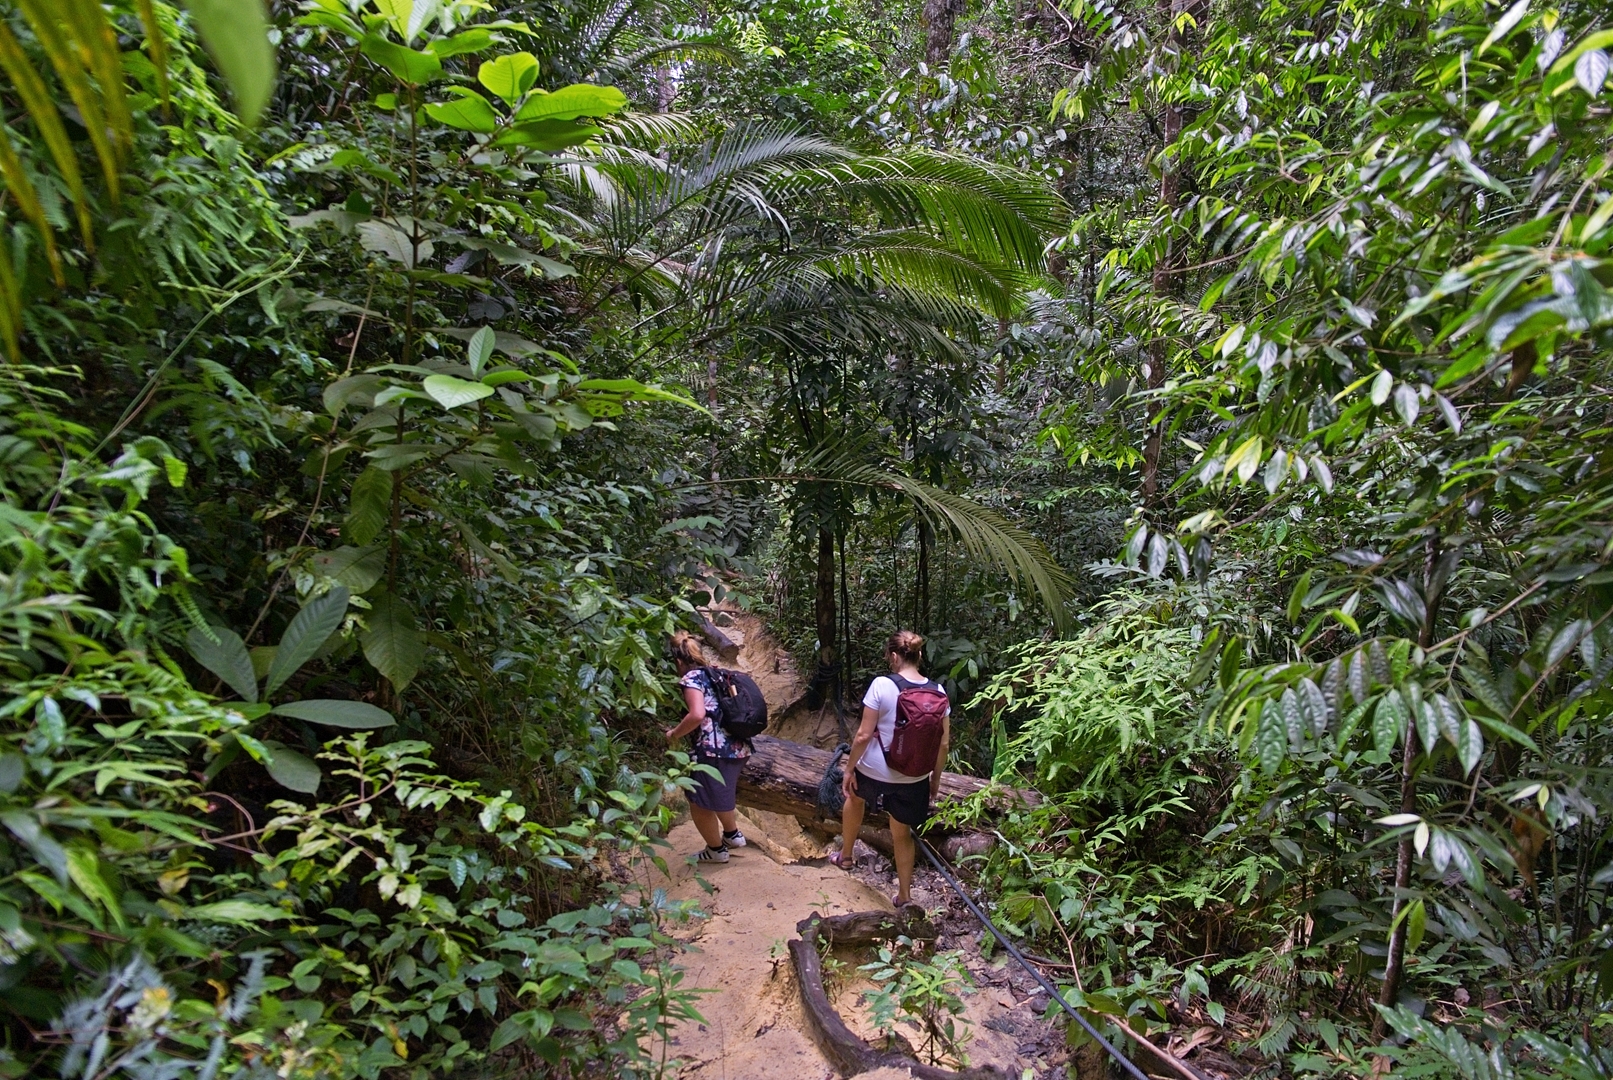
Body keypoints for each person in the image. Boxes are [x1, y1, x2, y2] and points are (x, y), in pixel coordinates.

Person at [830, 630, 949, 908]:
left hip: (874, 771)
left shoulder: (882, 685)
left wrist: (848, 770)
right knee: (902, 832)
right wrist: (934, 779)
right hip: (914, 776)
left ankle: (846, 856)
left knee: (854, 799)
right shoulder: (938, 692)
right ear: (919, 656)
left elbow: (862, 735)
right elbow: (943, 744)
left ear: (894, 656)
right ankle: (905, 896)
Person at [665, 630, 751, 863]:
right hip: (737, 745)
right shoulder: (716, 673)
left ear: (679, 661)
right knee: (720, 794)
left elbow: (697, 714)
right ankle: (733, 835)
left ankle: (716, 850)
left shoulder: (691, 679)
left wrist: (674, 734)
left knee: (698, 800)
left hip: (713, 750)